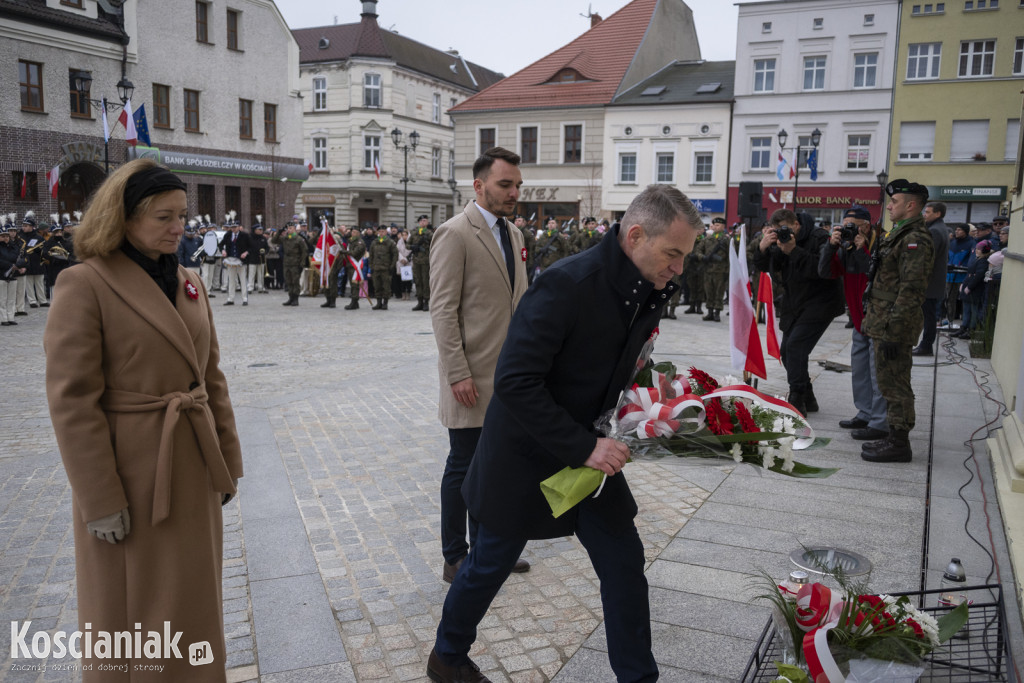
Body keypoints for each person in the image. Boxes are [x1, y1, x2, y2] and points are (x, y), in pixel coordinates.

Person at [428, 184, 701, 683]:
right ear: (636, 235)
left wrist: (652, 392)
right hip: (529, 453)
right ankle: (447, 655)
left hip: (590, 460)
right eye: (673, 254)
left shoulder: (648, 287)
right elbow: (514, 380)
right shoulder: (569, 283)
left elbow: (616, 361)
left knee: (624, 567)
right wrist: (584, 446)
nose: (679, 268)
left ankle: (638, 678)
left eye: (685, 256)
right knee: (490, 562)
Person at [43, 158, 242, 682]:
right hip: (133, 475)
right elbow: (72, 401)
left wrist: (227, 462)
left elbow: (211, 378)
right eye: (164, 217)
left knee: (193, 601)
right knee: (138, 613)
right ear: (123, 218)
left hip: (193, 467)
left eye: (182, 215)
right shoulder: (83, 284)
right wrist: (100, 500)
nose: (181, 227)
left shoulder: (189, 280)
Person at [429, 147, 531, 588]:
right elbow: (442, 309)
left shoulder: (515, 235)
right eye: (505, 184)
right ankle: (455, 557)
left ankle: (492, 551)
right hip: (471, 378)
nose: (513, 193)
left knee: (500, 468)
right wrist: (457, 372)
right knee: (464, 466)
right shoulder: (455, 233)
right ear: (478, 185)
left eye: (517, 186)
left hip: (509, 378)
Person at [861, 179, 934, 463]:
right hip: (883, 320)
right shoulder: (901, 234)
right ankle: (893, 436)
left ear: (911, 205)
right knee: (887, 380)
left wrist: (895, 330)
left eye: (894, 203)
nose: (889, 207)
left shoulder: (916, 239)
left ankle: (900, 443)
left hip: (895, 324)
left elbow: (912, 289)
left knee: (896, 383)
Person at [753, 209, 844, 415]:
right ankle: (808, 396)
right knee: (787, 351)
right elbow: (766, 267)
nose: (783, 233)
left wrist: (793, 250)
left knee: (795, 347)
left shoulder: (819, 237)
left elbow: (821, 270)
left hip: (822, 302)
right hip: (795, 301)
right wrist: (763, 248)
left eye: (785, 228)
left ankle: (797, 398)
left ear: (796, 224)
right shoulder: (781, 241)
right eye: (777, 230)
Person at [819, 206, 888, 441]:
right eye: (845, 225)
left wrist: (861, 249)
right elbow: (826, 272)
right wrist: (831, 246)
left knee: (876, 371)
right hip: (859, 319)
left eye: (854, 225)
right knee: (860, 370)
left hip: (878, 319)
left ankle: (880, 421)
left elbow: (877, 276)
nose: (849, 229)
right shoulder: (845, 247)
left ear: (867, 226)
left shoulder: (882, 244)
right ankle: (865, 413)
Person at [912, 202, 949, 356]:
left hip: (930, 281)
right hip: (933, 281)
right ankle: (926, 345)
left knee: (928, 316)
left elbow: (927, 257)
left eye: (927, 212)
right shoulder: (940, 228)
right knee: (929, 314)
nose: (924, 215)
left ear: (938, 214)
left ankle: (926, 345)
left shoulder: (934, 231)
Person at [952, 240, 992, 339]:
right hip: (968, 288)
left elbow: (978, 276)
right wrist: (964, 284)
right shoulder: (977, 259)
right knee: (966, 310)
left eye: (979, 249)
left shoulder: (983, 261)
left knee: (973, 311)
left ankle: (971, 329)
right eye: (976, 248)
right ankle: (964, 327)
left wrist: (969, 287)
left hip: (974, 290)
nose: (976, 250)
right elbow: (970, 273)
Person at [698, 216, 730, 322]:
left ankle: (717, 313)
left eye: (718, 225)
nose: (715, 227)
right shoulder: (707, 239)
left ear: (723, 226)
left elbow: (731, 257)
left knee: (719, 292)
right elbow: (697, 251)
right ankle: (710, 312)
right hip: (708, 270)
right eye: (714, 225)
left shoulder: (726, 240)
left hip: (721, 271)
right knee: (709, 292)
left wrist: (728, 271)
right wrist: (704, 257)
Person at [272, 221, 308, 306]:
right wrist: (279, 232)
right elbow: (274, 240)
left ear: (295, 229)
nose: (289, 230)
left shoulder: (299, 239)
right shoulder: (285, 238)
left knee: (295, 281)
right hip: (287, 263)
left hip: (296, 263)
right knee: (288, 281)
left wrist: (302, 264)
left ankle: (295, 298)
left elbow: (304, 251)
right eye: (288, 228)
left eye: (291, 228)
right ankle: (290, 298)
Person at [945, 224, 974, 325]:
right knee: (949, 299)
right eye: (956, 230)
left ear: (965, 231)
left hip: (963, 277)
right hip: (950, 275)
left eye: (959, 230)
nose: (956, 231)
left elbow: (972, 260)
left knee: (964, 300)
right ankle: (950, 320)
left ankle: (964, 323)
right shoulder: (952, 242)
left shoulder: (971, 243)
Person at [20, 212, 49, 308]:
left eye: (26, 226)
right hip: (26, 263)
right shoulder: (20, 237)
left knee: (39, 283)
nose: (24, 227)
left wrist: (38, 249)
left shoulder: (38, 237)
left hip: (37, 263)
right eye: (23, 226)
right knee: (29, 284)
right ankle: (32, 301)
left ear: (32, 227)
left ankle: (42, 300)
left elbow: (44, 249)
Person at [219, 219, 250, 306]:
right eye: (232, 227)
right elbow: (221, 244)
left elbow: (251, 246)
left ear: (239, 227)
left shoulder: (245, 235)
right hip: (230, 260)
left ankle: (245, 299)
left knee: (243, 280)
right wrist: (223, 250)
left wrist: (246, 252)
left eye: (235, 227)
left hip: (241, 261)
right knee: (231, 280)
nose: (233, 229)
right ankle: (230, 299)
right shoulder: (228, 235)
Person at [369, 224, 398, 310]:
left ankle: (385, 303)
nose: (381, 233)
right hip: (376, 268)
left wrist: (392, 266)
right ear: (377, 232)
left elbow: (395, 255)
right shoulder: (374, 242)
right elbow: (371, 255)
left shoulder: (390, 242)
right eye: (380, 231)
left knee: (386, 287)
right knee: (377, 286)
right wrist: (371, 266)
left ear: (386, 232)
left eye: (383, 231)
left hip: (386, 268)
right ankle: (378, 303)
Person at [0, 227, 25, 326]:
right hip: (1, 275)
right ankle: (3, 318)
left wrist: (21, 266)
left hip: (13, 274)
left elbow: (22, 257)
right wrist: (11, 265)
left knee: (11, 298)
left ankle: (10, 317)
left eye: (7, 236)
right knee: (2, 298)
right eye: (3, 236)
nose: (5, 238)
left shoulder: (14, 246)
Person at [408, 215, 433, 310]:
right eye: (421, 221)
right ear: (419, 222)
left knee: (426, 281)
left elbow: (434, 244)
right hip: (416, 261)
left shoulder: (430, 233)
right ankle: (419, 302)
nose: (423, 222)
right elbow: (407, 244)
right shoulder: (414, 233)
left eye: (425, 221)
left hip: (426, 261)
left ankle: (426, 302)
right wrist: (413, 247)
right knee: (417, 281)